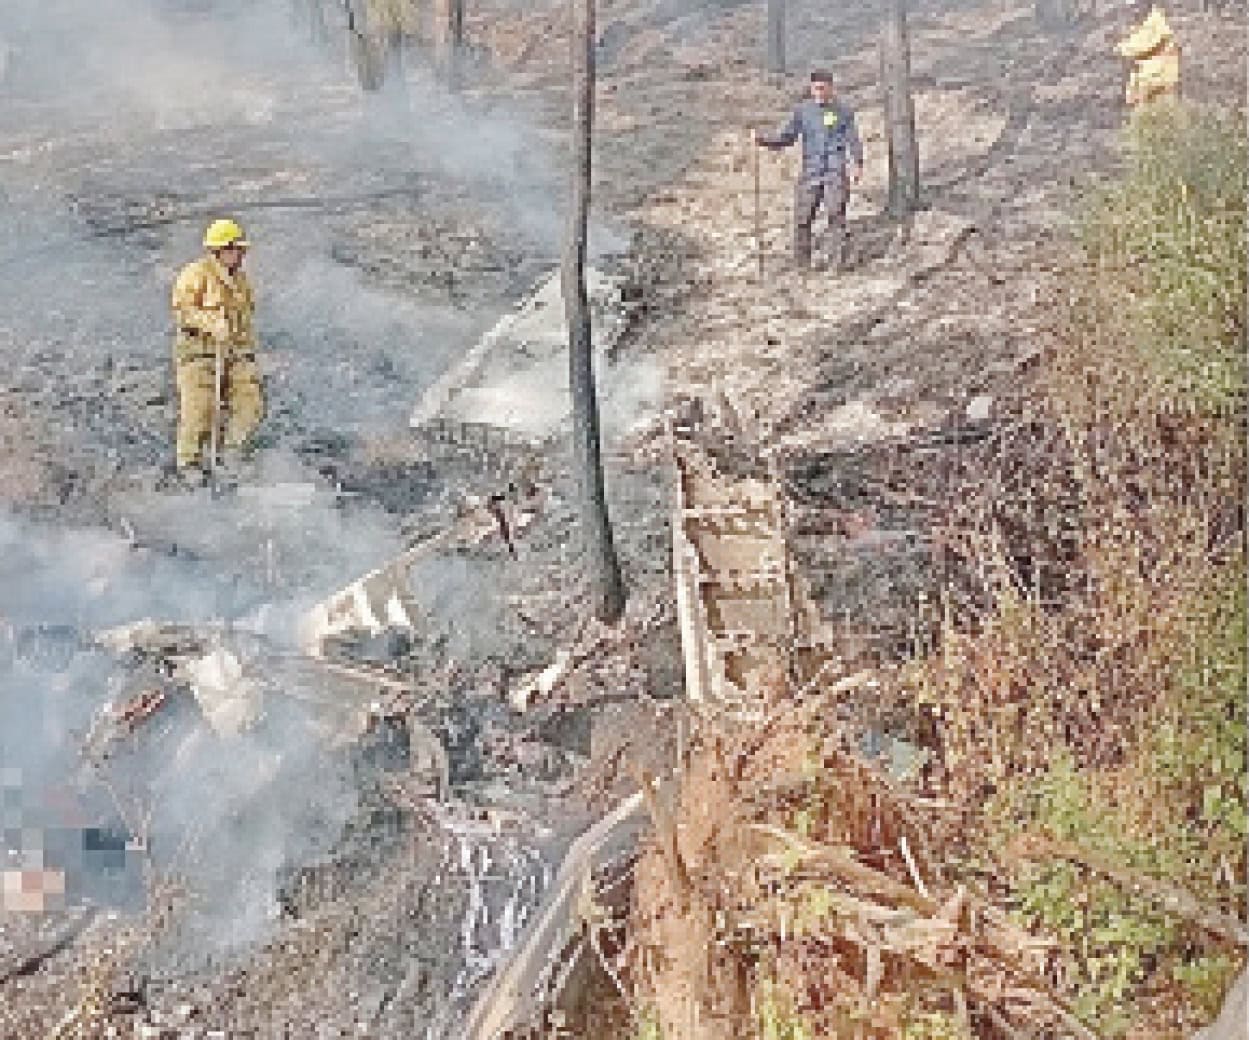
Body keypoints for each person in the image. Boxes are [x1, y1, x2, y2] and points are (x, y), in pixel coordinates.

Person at [170, 219, 262, 484]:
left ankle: (231, 454)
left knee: (250, 404)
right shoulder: (195, 275)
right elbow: (183, 310)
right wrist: (211, 324)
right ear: (220, 250)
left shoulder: (241, 282)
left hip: (234, 353)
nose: (241, 255)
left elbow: (245, 321)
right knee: (198, 410)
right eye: (236, 249)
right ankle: (190, 464)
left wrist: (246, 352)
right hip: (198, 354)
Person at [756, 69, 865, 271]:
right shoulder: (802, 111)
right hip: (811, 171)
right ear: (811, 88)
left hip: (835, 171)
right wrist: (764, 140)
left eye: (823, 88)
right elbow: (787, 137)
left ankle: (836, 264)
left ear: (831, 88)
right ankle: (801, 265)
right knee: (803, 218)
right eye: (816, 88)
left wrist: (857, 163)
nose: (820, 92)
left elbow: (853, 139)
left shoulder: (843, 112)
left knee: (836, 216)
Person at [1116, 4, 1180, 107]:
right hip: (1151, 75)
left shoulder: (1156, 22)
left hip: (1157, 73)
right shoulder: (1145, 24)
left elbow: (1145, 45)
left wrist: (1124, 48)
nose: (1135, 10)